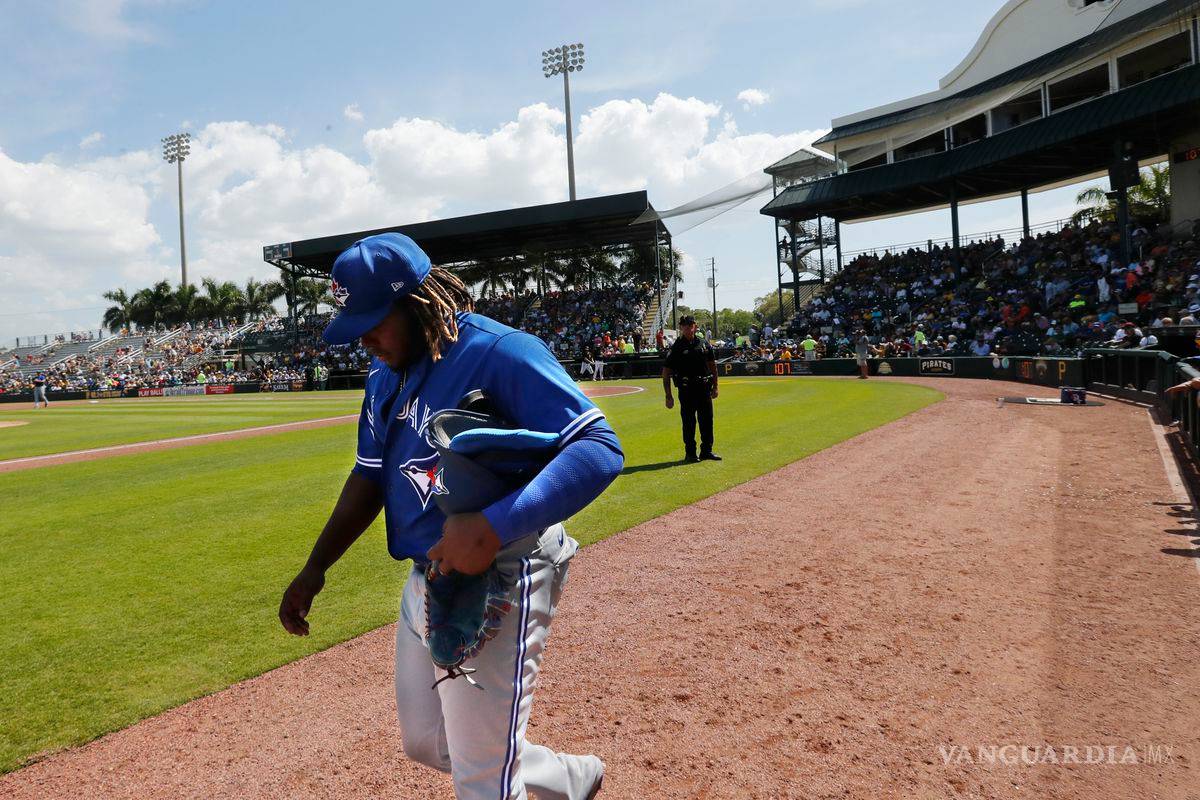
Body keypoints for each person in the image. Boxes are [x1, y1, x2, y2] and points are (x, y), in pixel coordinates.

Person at [279, 233, 619, 800]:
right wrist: (316, 567)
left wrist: (494, 525)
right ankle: (568, 777)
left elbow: (600, 447)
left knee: (482, 779)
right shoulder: (385, 374)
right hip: (427, 576)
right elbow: (367, 476)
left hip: (505, 570)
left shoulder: (501, 351)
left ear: (415, 303)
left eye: (374, 322)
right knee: (428, 741)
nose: (365, 340)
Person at [662, 314, 720, 463]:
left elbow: (713, 366)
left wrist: (716, 386)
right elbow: (666, 372)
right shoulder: (677, 347)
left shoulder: (704, 344)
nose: (687, 328)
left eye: (690, 325)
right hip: (687, 389)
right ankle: (691, 454)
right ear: (681, 327)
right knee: (689, 422)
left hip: (704, 388)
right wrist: (668, 395)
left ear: (695, 326)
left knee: (707, 421)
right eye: (684, 325)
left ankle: (706, 451)